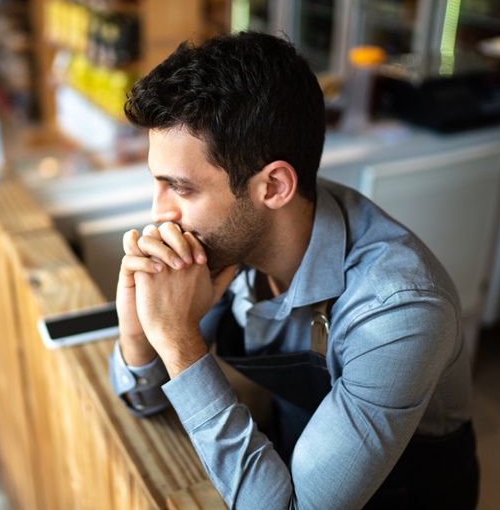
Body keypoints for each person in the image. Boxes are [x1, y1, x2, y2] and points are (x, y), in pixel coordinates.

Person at [108, 32, 478, 509]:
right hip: (291, 451)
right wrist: (138, 334)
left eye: (180, 188)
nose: (158, 213)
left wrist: (179, 342)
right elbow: (145, 401)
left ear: (274, 186)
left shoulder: (400, 313)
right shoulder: (232, 239)